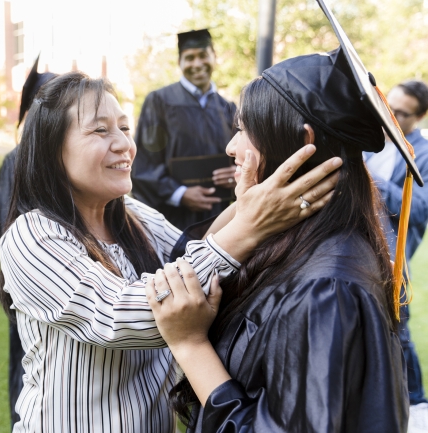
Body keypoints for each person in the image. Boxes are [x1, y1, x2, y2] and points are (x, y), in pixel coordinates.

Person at [0, 70, 341, 432]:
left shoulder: (132, 216)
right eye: (100, 130)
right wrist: (250, 225)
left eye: (124, 128)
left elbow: (192, 254)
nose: (124, 145)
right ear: (51, 150)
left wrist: (251, 194)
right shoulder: (31, 235)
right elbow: (131, 315)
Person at [144, 4, 418, 430]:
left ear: (300, 143)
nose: (231, 147)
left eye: (244, 130)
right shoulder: (301, 244)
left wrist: (190, 344)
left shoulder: (327, 291)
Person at [0, 55, 57, 430]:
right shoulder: (15, 161)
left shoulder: (66, 160)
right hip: (31, 284)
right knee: (27, 362)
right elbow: (6, 226)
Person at [364, 80, 428, 433]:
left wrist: (372, 180)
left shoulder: (423, 152)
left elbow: (419, 208)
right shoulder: (371, 142)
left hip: (394, 256)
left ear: (419, 117)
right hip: (360, 249)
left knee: (399, 331)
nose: (390, 114)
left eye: (401, 112)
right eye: (389, 104)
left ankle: (417, 405)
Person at [131, 29, 237, 230]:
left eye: (203, 56)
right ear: (180, 62)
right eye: (189, 58)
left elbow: (242, 158)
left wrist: (237, 175)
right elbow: (144, 164)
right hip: (172, 222)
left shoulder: (228, 108)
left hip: (219, 221)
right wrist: (179, 194)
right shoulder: (159, 102)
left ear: (214, 57)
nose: (197, 64)